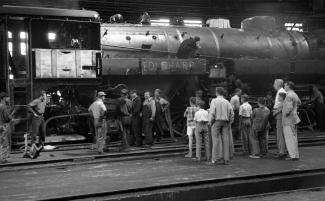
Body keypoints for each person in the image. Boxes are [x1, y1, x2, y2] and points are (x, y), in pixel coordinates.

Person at [209, 87, 234, 165]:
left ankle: (214, 160)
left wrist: (210, 122)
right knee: (226, 140)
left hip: (216, 122)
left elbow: (212, 112)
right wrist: (230, 122)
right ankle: (226, 159)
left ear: (216, 92)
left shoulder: (214, 101)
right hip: (225, 122)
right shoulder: (227, 102)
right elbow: (232, 113)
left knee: (215, 140)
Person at [282, 81, 301, 160]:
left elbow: (289, 108)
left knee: (289, 138)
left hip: (288, 119)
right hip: (294, 118)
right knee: (294, 137)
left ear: (289, 86)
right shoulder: (295, 94)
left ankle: (292, 156)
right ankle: (295, 155)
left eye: (285, 86)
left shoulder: (288, 95)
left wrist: (285, 114)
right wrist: (295, 110)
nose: (284, 87)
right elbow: (299, 102)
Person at [273, 79, 287, 155]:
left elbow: (283, 103)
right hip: (279, 114)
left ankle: (282, 152)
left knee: (280, 134)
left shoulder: (281, 91)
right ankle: (281, 150)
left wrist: (276, 111)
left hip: (279, 114)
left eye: (274, 83)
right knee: (279, 133)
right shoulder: (280, 91)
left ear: (278, 84)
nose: (273, 85)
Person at [0, 92, 15, 163]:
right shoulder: (3, 106)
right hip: (4, 125)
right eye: (8, 97)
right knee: (5, 143)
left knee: (1, 142)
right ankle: (3, 159)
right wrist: (11, 117)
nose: (9, 99)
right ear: (4, 98)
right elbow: (7, 117)